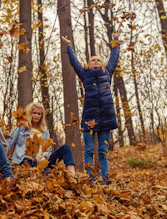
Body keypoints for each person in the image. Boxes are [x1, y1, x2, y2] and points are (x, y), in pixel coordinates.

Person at [62, 29, 122, 184]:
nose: (95, 61)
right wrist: (69, 46)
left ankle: (106, 179)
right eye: (92, 60)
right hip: (90, 118)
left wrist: (116, 41)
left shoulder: (107, 73)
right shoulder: (85, 75)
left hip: (106, 118)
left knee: (103, 152)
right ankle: (90, 179)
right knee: (88, 150)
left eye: (98, 60)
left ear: (102, 64)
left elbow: (114, 59)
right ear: (88, 64)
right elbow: (74, 62)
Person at [7, 102, 75, 175]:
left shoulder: (44, 130)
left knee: (66, 148)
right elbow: (8, 142)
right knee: (47, 175)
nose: (36, 116)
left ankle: (72, 176)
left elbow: (47, 147)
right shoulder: (22, 127)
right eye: (34, 113)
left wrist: (44, 157)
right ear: (30, 114)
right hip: (24, 160)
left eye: (39, 114)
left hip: (41, 162)